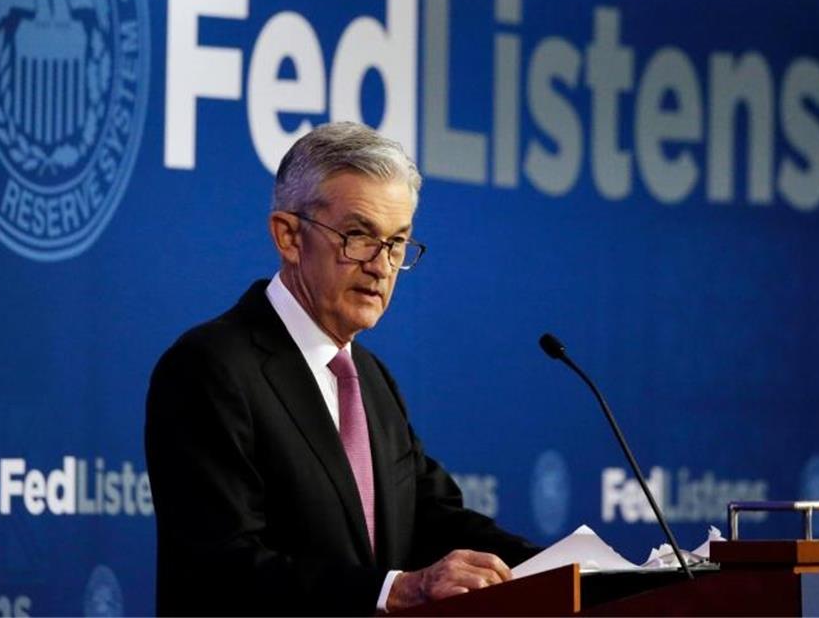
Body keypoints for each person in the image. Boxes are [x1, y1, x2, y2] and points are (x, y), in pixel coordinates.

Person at [145, 121, 540, 616]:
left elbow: (432, 518)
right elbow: (222, 567)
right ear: (289, 237)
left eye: (397, 243)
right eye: (358, 236)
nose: (382, 265)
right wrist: (394, 590)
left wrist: (575, 571)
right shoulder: (210, 368)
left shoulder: (371, 380)